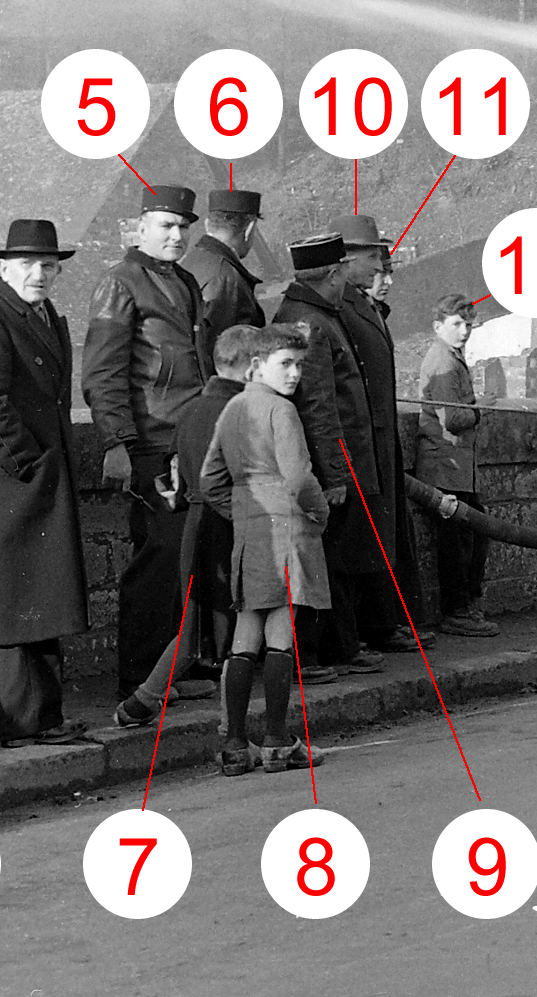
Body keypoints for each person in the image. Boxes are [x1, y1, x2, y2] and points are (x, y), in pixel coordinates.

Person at [0, 219, 95, 747]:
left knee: (21, 598)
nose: (41, 274)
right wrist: (30, 464)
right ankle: (29, 723)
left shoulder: (43, 314)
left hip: (29, 477)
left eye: (49, 265)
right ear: (2, 267)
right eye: (29, 264)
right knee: (13, 603)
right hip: (8, 481)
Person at [82, 187, 208, 702]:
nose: (176, 236)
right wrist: (116, 441)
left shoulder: (184, 280)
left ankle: (178, 664)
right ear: (138, 228)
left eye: (182, 227)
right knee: (157, 559)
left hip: (191, 436)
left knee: (193, 555)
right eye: (164, 226)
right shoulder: (120, 283)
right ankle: (138, 676)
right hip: (153, 441)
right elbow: (103, 372)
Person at [199, 323, 331, 775]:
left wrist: (241, 512)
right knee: (280, 636)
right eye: (285, 364)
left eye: (299, 365)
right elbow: (298, 479)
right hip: (288, 533)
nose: (294, 374)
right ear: (257, 366)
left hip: (248, 533)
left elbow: (209, 480)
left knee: (244, 636)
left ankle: (235, 745)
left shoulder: (233, 407)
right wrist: (319, 513)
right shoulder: (282, 411)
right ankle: (276, 740)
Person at [129, 323, 266, 730]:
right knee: (231, 634)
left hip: (196, 525)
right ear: (252, 368)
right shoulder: (239, 412)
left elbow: (174, 480)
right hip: (225, 529)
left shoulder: (192, 410)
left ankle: (141, 702)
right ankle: (233, 732)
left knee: (195, 628)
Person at [271, 231, 386, 677]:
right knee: (329, 559)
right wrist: (335, 473)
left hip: (336, 459)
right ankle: (319, 652)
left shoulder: (310, 314)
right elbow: (318, 403)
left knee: (336, 557)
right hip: (330, 464)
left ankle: (339, 646)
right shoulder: (312, 323)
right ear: (334, 274)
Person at [330, 213, 433, 652]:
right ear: (347, 259)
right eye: (372, 256)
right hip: (360, 441)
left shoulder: (364, 306)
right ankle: (372, 627)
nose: (379, 266)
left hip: (378, 439)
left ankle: (384, 621)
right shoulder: (342, 308)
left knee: (381, 534)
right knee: (362, 536)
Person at [414, 292, 500, 637]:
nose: (464, 331)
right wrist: (483, 407)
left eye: (468, 324)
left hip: (456, 468)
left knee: (470, 536)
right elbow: (452, 419)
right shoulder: (444, 363)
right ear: (439, 326)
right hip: (444, 469)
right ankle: (457, 611)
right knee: (458, 542)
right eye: (456, 324)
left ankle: (464, 606)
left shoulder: (450, 357)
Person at [185, 188, 269, 370]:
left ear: (208, 224)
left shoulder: (190, 262)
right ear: (250, 229)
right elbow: (217, 355)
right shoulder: (225, 278)